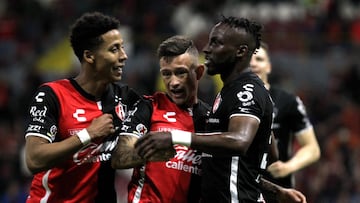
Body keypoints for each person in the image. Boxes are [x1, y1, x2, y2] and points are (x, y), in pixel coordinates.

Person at [134, 16, 307, 203]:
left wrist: (173, 137)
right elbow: (267, 151)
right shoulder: (229, 93)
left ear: (240, 51)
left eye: (216, 43)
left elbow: (239, 141)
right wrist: (273, 189)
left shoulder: (246, 90)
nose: (207, 49)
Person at [24, 12, 140, 202]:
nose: (124, 56)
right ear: (89, 56)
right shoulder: (52, 95)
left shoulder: (126, 98)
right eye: (114, 49)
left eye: (123, 48)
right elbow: (34, 159)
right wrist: (88, 134)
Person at [111, 35, 209, 203]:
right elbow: (120, 156)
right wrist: (156, 152)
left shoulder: (210, 118)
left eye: (180, 73)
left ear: (199, 72)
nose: (173, 82)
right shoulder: (148, 107)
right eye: (166, 74)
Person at [250, 42, 320, 198]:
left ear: (268, 66)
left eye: (259, 59)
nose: (253, 63)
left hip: (279, 191)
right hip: (242, 188)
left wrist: (288, 167)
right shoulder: (229, 99)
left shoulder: (288, 102)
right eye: (249, 59)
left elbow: (312, 148)